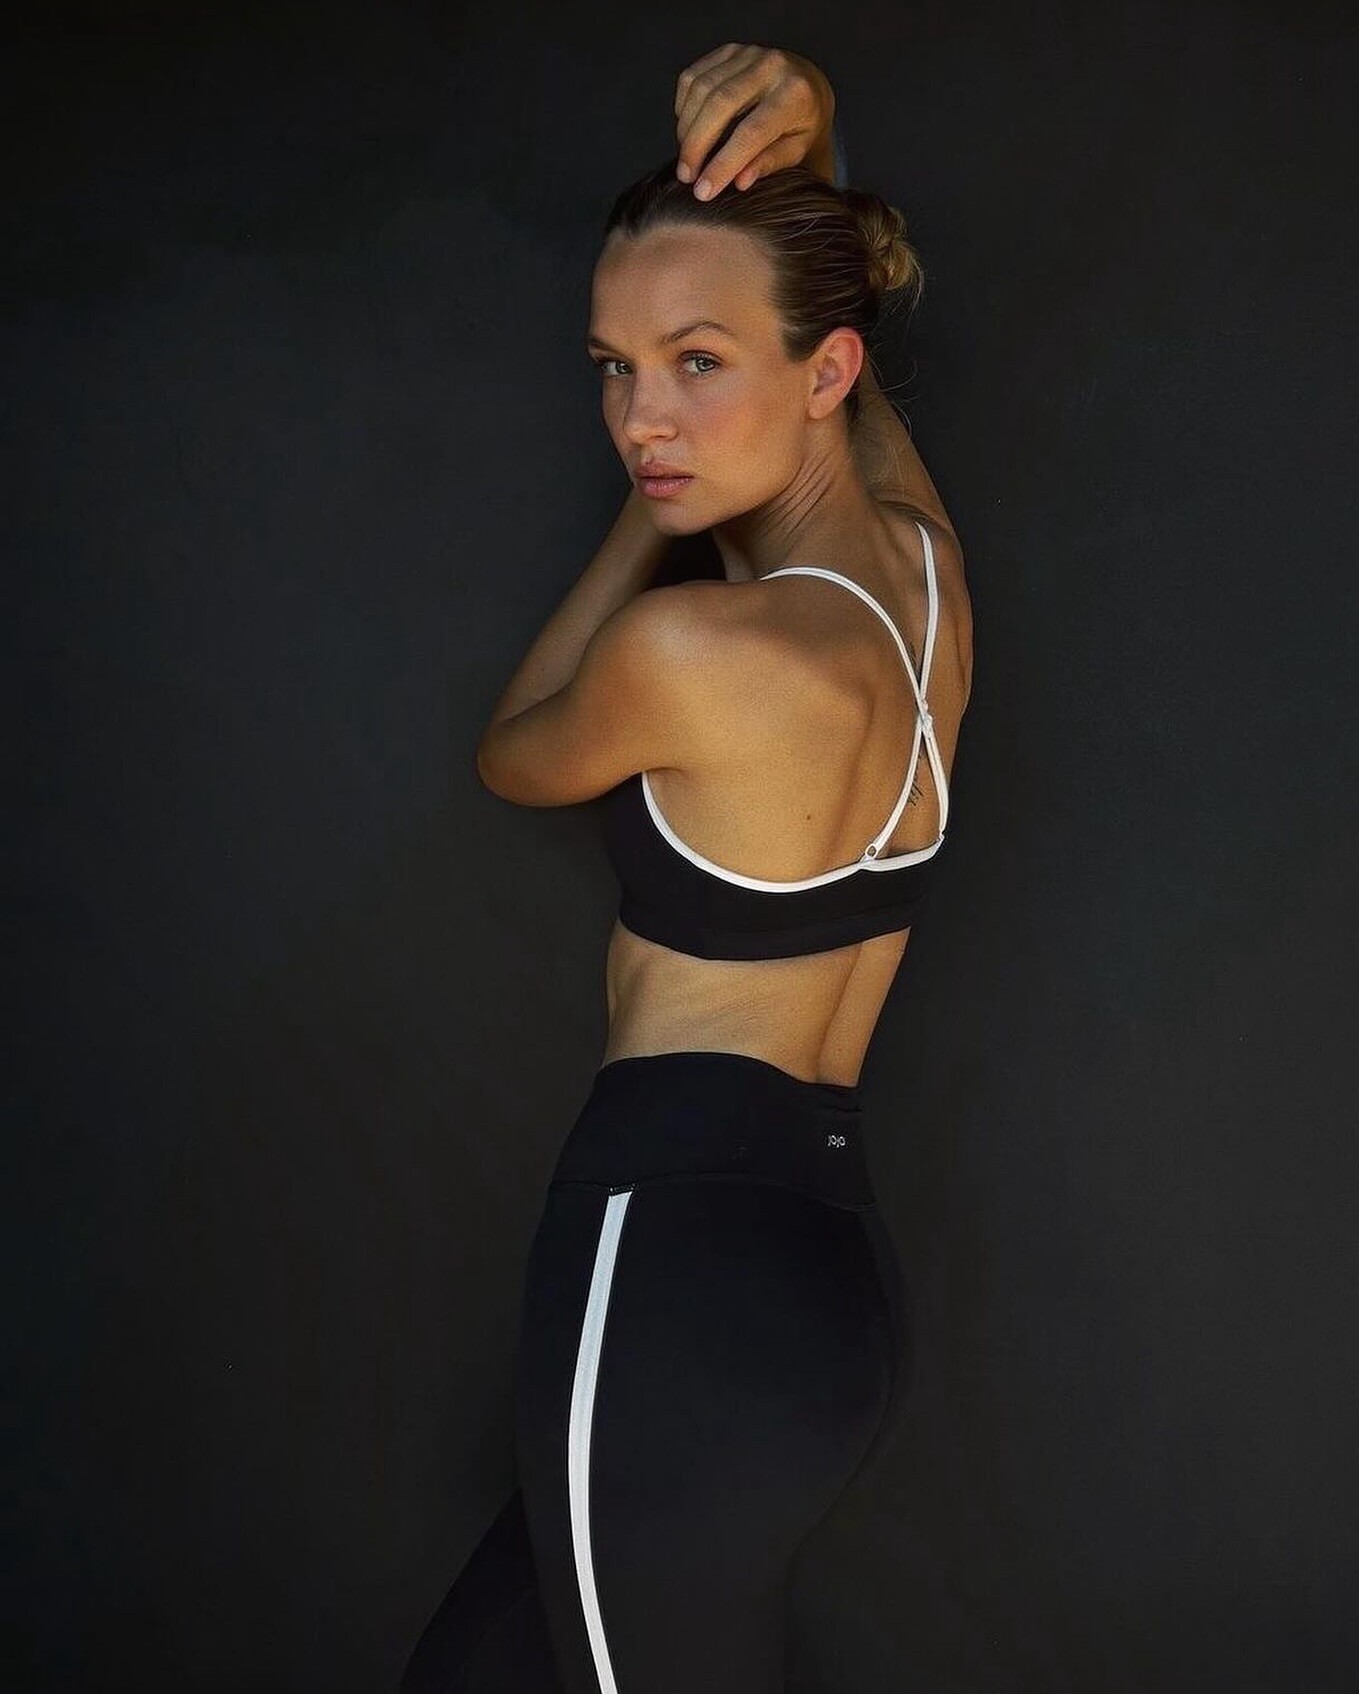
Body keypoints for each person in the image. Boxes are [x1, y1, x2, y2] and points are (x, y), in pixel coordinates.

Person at [401, 41, 973, 1694]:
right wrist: (818, 151)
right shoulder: (929, 583)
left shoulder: (688, 651)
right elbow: (831, 363)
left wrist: (653, 518)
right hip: (820, 1284)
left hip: (666, 1277)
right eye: (616, 368)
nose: (641, 419)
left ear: (824, 369)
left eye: (697, 362)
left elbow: (516, 746)